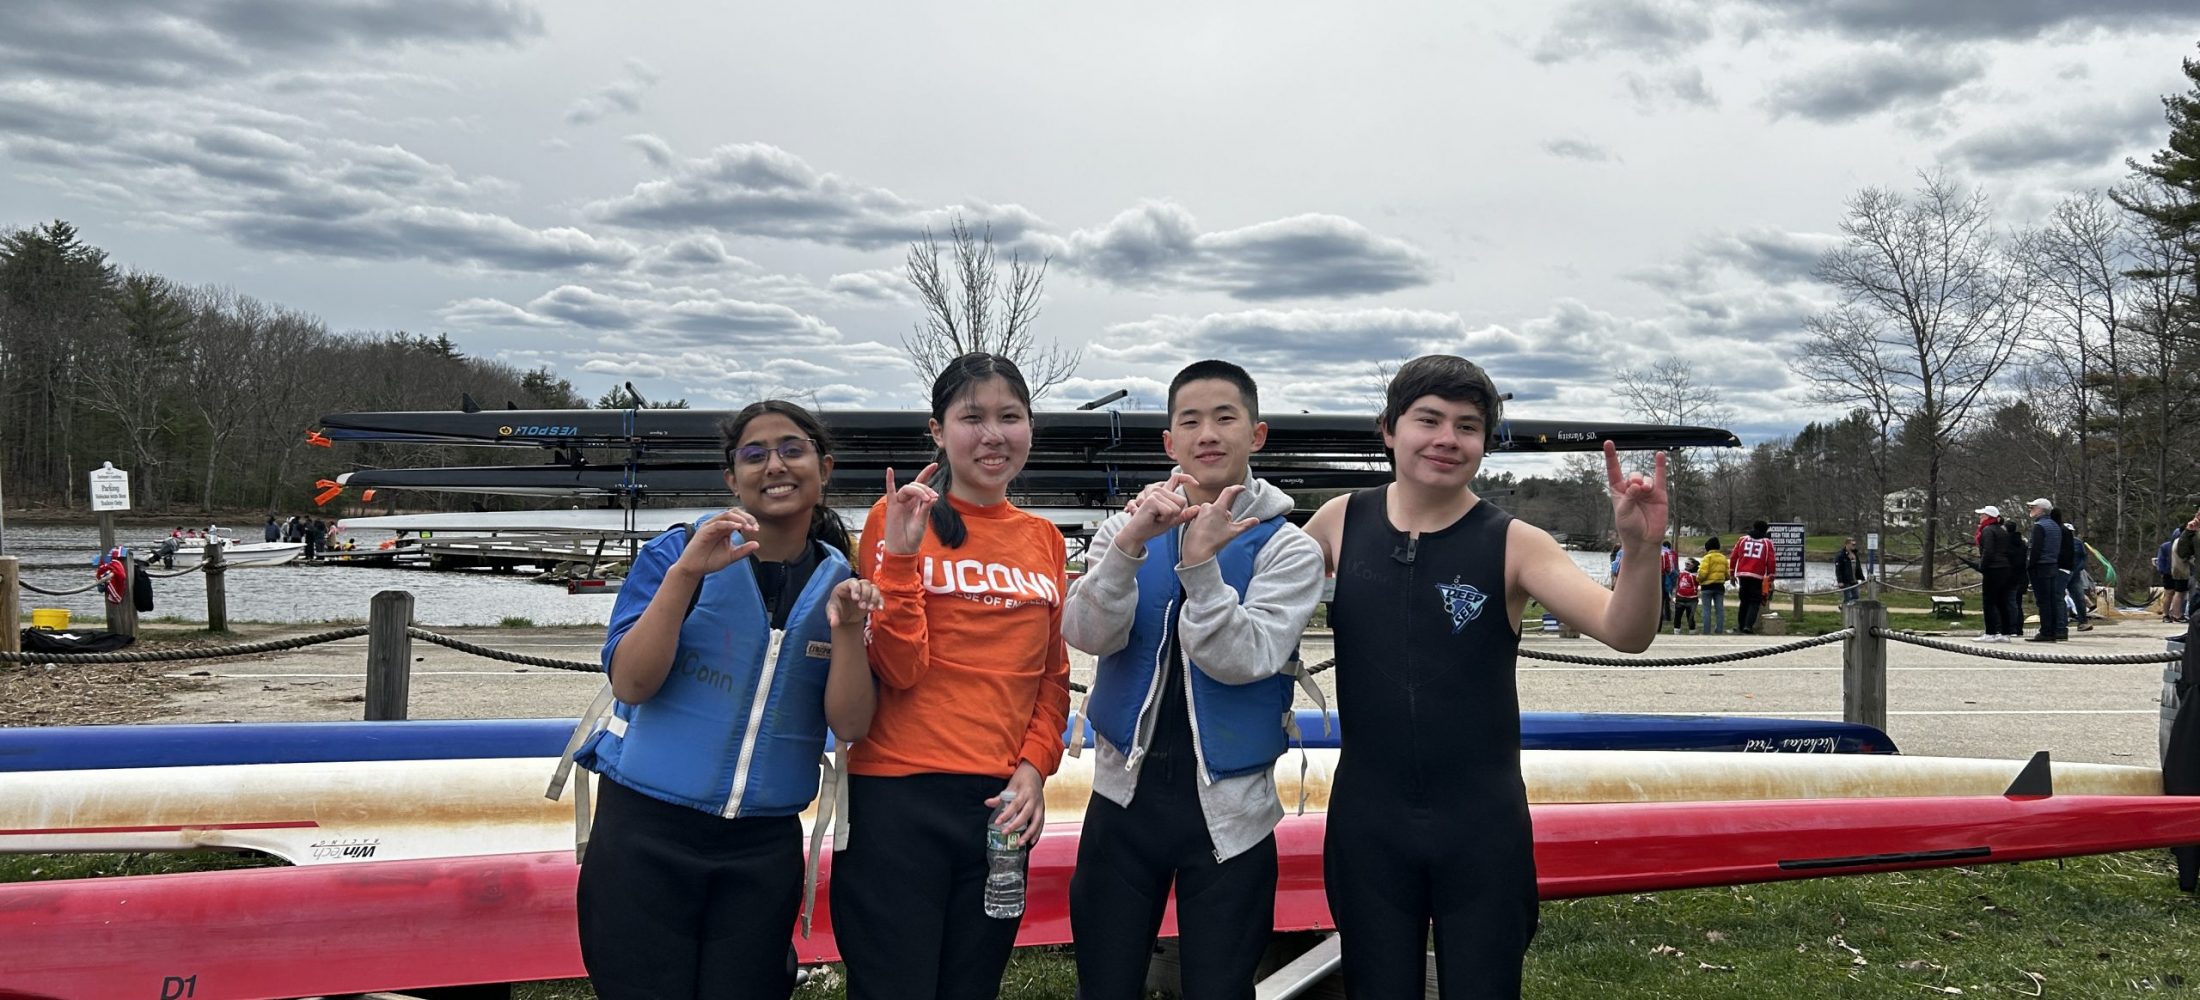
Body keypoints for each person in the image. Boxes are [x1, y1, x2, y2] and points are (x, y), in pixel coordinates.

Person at [1302, 355, 1665, 998]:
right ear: (1388, 429)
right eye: (1428, 420)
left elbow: (1625, 631)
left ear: (1486, 444)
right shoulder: (1338, 522)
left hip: (1480, 826)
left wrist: (1639, 552)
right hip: (1368, 822)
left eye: (1468, 426)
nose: (1447, 438)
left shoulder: (1515, 542)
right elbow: (1250, 616)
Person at [572, 400, 880, 1000]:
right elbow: (632, 684)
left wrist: (847, 629)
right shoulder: (674, 554)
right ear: (730, 477)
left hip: (761, 849)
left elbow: (850, 724)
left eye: (793, 449)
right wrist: (686, 574)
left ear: (824, 467)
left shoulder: (843, 581)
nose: (775, 465)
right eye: (755, 454)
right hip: (646, 832)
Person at [1061, 359, 1325, 1000]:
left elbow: (1244, 658)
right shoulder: (1123, 527)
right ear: (1169, 443)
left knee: (1220, 988)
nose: (1207, 433)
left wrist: (1201, 567)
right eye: (1190, 421)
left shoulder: (1289, 548)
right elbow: (1085, 633)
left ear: (1256, 435)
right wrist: (1128, 549)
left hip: (1230, 820)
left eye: (1225, 417)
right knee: (1104, 986)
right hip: (1122, 810)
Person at [832, 353, 1072, 1000]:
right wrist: (904, 559)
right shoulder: (896, 517)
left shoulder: (1046, 539)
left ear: (1029, 427)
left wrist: (1033, 770)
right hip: (896, 800)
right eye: (972, 417)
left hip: (998, 812)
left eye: (1010, 417)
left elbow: (1051, 678)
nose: (993, 435)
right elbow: (898, 669)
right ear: (937, 430)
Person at [1973, 505, 2025, 644]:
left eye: (1982, 515)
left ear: (1988, 517)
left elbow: (1988, 551)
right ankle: (2005, 632)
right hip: (2005, 568)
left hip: (1993, 568)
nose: (1980, 517)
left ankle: (1990, 632)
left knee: (1989, 601)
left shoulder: (1988, 530)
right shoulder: (2002, 531)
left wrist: (1982, 566)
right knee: (2002, 602)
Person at [2024, 497, 2067, 642]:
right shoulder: (2055, 526)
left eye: (2033, 508)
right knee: (2051, 600)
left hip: (2041, 566)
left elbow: (2036, 549)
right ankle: (2054, 630)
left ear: (2041, 510)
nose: (2031, 510)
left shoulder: (2039, 526)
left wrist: (2030, 566)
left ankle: (2046, 631)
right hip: (2052, 565)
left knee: (2043, 601)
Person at [1730, 523, 1775, 634]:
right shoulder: (1767, 543)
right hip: (1757, 575)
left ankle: (1740, 625)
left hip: (1742, 574)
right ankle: (1748, 626)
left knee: (1744, 601)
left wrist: (1732, 572)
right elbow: (1771, 560)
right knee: (1754, 602)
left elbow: (1734, 556)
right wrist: (1771, 574)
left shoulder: (1742, 540)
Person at [2062, 517, 2093, 633]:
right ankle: (2061, 623)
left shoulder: (2077, 542)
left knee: (2079, 598)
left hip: (2075, 576)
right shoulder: (2059, 543)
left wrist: (2079, 568)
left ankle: (2082, 622)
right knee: (2060, 599)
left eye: (2071, 532)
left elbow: (2083, 557)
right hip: (2062, 574)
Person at [1697, 537, 1729, 635]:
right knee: (1719, 610)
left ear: (1707, 548)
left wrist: (1698, 579)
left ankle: (1706, 631)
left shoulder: (1707, 558)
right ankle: (1719, 630)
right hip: (1719, 587)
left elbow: (1703, 573)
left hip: (1707, 587)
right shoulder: (1723, 558)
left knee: (1707, 610)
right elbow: (1727, 575)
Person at [2164, 527, 2190, 624]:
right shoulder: (2167, 546)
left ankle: (2174, 613)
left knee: (2178, 593)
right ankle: (2172, 614)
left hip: (2176, 571)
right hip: (2174, 572)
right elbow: (2162, 560)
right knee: (2174, 593)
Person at [1673, 558, 1700, 634]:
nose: (1686, 565)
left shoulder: (1697, 575)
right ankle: (1676, 632)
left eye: (1688, 564)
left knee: (1690, 617)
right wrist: (1676, 594)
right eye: (1685, 564)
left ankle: (1692, 632)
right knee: (1677, 616)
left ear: (1694, 565)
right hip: (1680, 598)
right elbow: (1677, 584)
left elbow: (1700, 582)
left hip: (1692, 600)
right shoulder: (1681, 573)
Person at [1834, 537, 1861, 605]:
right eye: (1852, 544)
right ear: (1847, 544)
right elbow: (1838, 569)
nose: (1854, 546)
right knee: (1847, 598)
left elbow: (1857, 567)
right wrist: (1840, 581)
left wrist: (1860, 577)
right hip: (1845, 580)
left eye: (1855, 544)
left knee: (1856, 597)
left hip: (1854, 580)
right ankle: (1844, 609)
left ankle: (1852, 611)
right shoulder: (1841, 555)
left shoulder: (1855, 555)